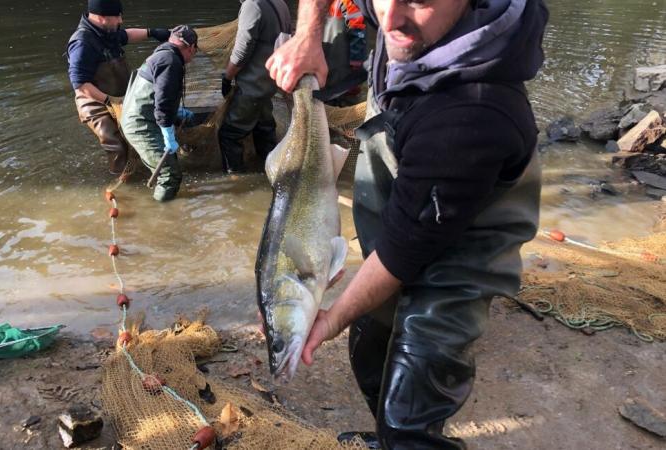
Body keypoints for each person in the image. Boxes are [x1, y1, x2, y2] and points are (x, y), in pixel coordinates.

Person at [266, 0, 549, 448]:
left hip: (463, 227)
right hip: (410, 182)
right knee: (370, 346)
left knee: (409, 414)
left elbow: (402, 252)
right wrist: (306, 36)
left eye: (418, 0)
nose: (390, 19)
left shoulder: (473, 114)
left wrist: (330, 319)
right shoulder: (405, 14)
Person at [66, 0, 171, 175]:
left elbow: (126, 36)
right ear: (101, 18)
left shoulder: (107, 30)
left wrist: (152, 32)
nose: (120, 20)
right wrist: (109, 101)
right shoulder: (82, 43)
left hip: (121, 96)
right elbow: (80, 84)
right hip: (95, 102)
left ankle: (142, 168)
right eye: (117, 16)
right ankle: (124, 181)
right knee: (117, 145)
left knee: (139, 134)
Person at [120, 25, 198, 202]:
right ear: (191, 47)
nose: (193, 57)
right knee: (170, 175)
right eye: (194, 52)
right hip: (140, 124)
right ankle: (162, 217)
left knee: (186, 121)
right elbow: (163, 104)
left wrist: (176, 113)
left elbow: (158, 94)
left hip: (141, 114)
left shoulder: (163, 52)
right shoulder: (171, 61)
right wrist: (168, 136)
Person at [218, 0, 291, 174]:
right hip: (269, 83)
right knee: (264, 129)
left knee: (229, 135)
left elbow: (243, 50)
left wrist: (227, 77)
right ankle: (272, 172)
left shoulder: (252, 5)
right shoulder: (280, 3)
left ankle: (236, 182)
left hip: (252, 86)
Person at [322, 0, 367, 105]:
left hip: (329, 64)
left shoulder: (319, 5)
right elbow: (358, 33)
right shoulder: (349, 3)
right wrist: (356, 66)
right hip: (341, 66)